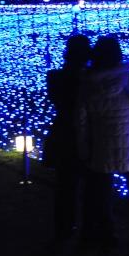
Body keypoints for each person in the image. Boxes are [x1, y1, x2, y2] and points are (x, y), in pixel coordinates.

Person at [77, 35, 129, 248]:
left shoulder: (88, 84)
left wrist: (84, 147)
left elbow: (81, 120)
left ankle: (108, 235)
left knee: (104, 195)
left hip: (102, 146)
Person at [45, 34, 91, 244]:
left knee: (65, 186)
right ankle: (87, 231)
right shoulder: (90, 79)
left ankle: (63, 229)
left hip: (62, 134)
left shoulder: (55, 77)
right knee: (90, 186)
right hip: (86, 136)